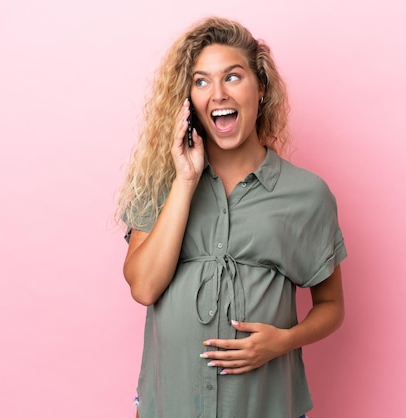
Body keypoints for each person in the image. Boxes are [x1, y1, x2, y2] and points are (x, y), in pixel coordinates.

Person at [117, 16, 347, 418]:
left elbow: (331, 306)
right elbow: (144, 288)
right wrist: (185, 181)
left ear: (261, 89)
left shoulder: (307, 195)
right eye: (201, 81)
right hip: (171, 405)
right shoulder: (162, 183)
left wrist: (283, 341)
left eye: (233, 77)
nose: (218, 93)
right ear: (187, 101)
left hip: (265, 406)